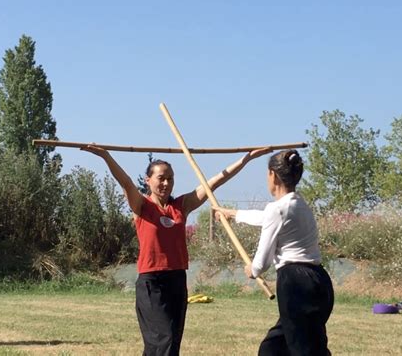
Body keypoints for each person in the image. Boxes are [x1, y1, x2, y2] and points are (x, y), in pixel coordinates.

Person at [81, 144, 270, 356]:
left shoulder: (181, 206)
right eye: (161, 178)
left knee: (169, 343)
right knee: (163, 340)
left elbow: (214, 182)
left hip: (177, 281)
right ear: (148, 180)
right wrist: (106, 156)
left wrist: (245, 159)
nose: (166, 183)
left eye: (170, 178)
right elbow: (125, 182)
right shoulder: (141, 206)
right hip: (152, 283)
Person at [213, 149, 334, 356]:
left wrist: (252, 270)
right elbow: (266, 218)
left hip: (296, 284)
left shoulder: (277, 210)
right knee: (274, 348)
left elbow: (261, 263)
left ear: (273, 175)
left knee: (303, 349)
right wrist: (232, 214)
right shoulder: (299, 204)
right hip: (319, 282)